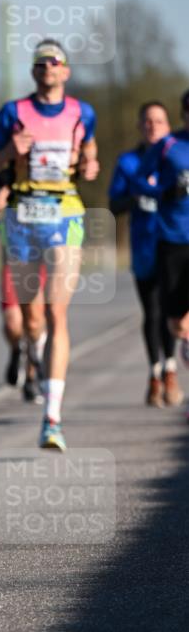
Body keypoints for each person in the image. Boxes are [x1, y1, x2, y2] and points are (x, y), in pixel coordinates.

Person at [0, 39, 99, 451]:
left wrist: (91, 163)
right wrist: (10, 151)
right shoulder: (13, 112)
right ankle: (33, 350)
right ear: (34, 72)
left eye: (55, 61)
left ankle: (52, 417)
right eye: (41, 61)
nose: (48, 66)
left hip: (65, 214)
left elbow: (90, 153)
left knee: (56, 312)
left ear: (66, 71)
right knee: (31, 321)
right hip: (22, 217)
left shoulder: (83, 113)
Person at [109, 102, 182, 407]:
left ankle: (170, 369)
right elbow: (115, 205)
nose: (153, 126)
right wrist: (139, 196)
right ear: (140, 126)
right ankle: (155, 373)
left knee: (172, 312)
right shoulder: (128, 163)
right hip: (144, 248)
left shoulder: (177, 157)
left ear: (168, 126)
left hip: (175, 244)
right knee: (152, 312)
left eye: (159, 121)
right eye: (147, 121)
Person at [132, 89, 189, 397]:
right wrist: (164, 191)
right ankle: (173, 359)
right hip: (173, 241)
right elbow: (140, 180)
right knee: (176, 324)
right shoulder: (168, 145)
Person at [0, 166, 46, 403]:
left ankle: (31, 379)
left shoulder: (47, 171)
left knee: (33, 322)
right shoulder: (3, 176)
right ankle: (16, 350)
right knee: (13, 324)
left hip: (42, 259)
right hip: (12, 262)